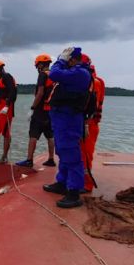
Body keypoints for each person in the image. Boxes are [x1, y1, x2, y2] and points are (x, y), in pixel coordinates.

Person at [42, 47, 91, 208]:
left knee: (71, 154)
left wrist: (60, 60)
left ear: (73, 59)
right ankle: (62, 183)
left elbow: (54, 73)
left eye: (67, 59)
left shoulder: (80, 73)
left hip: (69, 118)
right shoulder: (74, 72)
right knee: (62, 152)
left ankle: (74, 192)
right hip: (62, 117)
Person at [15, 54, 56, 168]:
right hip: (50, 110)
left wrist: (32, 108)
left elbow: (40, 93)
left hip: (40, 110)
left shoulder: (43, 75)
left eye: (37, 65)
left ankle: (29, 160)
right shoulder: (54, 75)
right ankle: (51, 159)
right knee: (50, 136)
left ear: (41, 65)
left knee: (33, 135)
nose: (37, 68)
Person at [79, 54, 105, 192]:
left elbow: (90, 107)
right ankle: (79, 181)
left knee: (86, 156)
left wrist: (86, 124)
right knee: (80, 154)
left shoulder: (93, 82)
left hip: (88, 124)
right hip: (86, 123)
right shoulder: (93, 80)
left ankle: (86, 184)